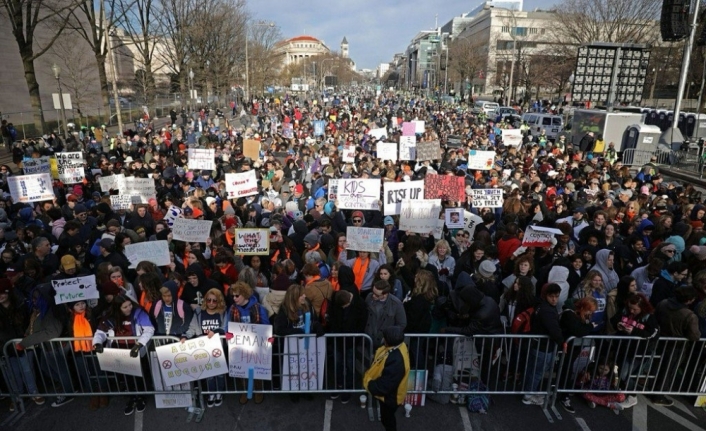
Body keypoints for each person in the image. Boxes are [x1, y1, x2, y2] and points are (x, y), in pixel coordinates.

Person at [93, 294, 154, 415]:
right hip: (118, 350)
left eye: (130, 305)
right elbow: (100, 332)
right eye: (125, 307)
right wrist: (97, 343)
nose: (129, 308)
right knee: (125, 376)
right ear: (118, 308)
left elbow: (149, 329)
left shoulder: (139, 313)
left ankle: (141, 398)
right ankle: (131, 398)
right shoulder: (110, 317)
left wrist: (139, 344)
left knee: (139, 375)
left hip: (135, 349)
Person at [226, 282, 270, 405]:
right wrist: (227, 333)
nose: (234, 298)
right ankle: (245, 391)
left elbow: (265, 324)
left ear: (244, 295)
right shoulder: (233, 308)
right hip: (240, 345)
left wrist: (266, 336)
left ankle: (258, 391)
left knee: (257, 368)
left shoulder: (258, 307)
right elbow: (227, 324)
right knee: (241, 369)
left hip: (256, 344)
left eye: (237, 296)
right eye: (233, 296)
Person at [522, 283, 564, 406]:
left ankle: (529, 392)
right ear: (546, 296)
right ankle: (528, 395)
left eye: (557, 296)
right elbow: (554, 331)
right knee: (537, 372)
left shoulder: (541, 306)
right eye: (552, 296)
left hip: (539, 345)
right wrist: (561, 341)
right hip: (544, 347)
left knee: (533, 371)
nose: (555, 299)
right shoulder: (547, 311)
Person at [363, 326, 410, 431]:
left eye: (385, 338)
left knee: (387, 420)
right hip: (392, 395)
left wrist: (369, 384)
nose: (383, 340)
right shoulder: (400, 347)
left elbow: (384, 386)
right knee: (387, 418)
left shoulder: (396, 361)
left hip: (390, 398)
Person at [365, 280, 407, 349]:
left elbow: (401, 324)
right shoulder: (369, 298)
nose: (373, 296)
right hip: (368, 339)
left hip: (385, 343)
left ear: (385, 294)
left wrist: (389, 337)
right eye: (373, 292)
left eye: (377, 295)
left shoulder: (396, 304)